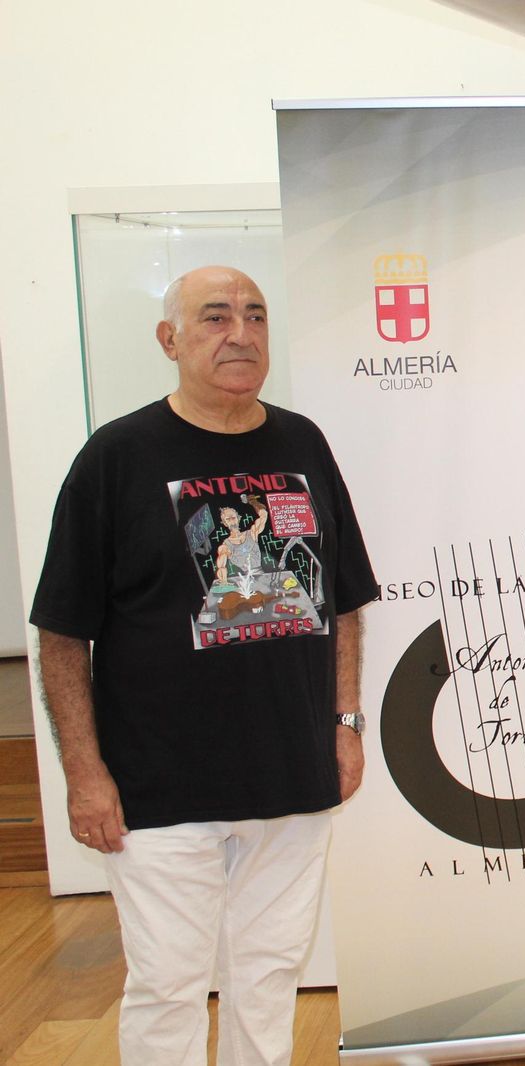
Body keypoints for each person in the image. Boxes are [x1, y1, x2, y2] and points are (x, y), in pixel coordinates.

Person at [33, 266, 379, 1066]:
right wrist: (86, 775)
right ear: (170, 340)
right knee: (168, 986)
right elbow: (59, 636)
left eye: (255, 315)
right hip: (159, 785)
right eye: (216, 317)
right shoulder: (115, 458)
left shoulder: (302, 442)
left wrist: (345, 723)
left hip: (291, 774)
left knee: (270, 977)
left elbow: (343, 602)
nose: (241, 332)